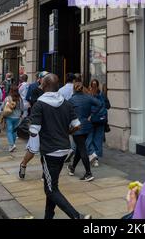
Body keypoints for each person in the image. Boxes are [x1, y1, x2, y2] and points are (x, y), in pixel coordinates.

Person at [29, 73, 91, 219]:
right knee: (52, 185)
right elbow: (77, 125)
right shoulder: (66, 103)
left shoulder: (39, 104)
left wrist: (31, 145)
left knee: (50, 189)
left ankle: (77, 216)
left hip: (49, 151)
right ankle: (48, 216)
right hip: (64, 148)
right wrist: (66, 132)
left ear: (44, 86)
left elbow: (33, 131)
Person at [67, 80, 102, 181]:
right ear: (82, 88)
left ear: (74, 89)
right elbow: (99, 104)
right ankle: (72, 167)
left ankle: (88, 173)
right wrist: (92, 114)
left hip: (76, 127)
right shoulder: (88, 97)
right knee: (79, 147)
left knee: (82, 149)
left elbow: (67, 113)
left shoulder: (71, 100)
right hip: (87, 126)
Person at [18, 71, 49, 179]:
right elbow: (32, 103)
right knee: (32, 149)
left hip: (47, 123)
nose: (46, 80)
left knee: (45, 150)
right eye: (45, 78)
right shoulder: (35, 89)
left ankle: (45, 173)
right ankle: (23, 164)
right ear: (40, 79)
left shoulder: (51, 90)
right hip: (36, 122)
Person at [86, 79, 107, 167]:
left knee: (89, 139)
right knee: (98, 140)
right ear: (98, 85)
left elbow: (86, 107)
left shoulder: (88, 95)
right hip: (101, 120)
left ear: (90, 85)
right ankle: (96, 159)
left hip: (90, 120)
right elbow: (108, 105)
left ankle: (92, 154)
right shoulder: (102, 94)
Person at [2, 85, 24, 152]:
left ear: (10, 90)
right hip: (17, 117)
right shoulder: (20, 99)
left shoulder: (8, 98)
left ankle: (11, 145)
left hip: (9, 116)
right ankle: (12, 145)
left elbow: (3, 106)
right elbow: (22, 108)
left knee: (9, 131)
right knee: (14, 131)